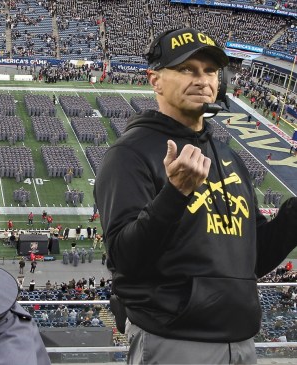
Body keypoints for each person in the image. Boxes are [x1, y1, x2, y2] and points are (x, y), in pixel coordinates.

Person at [94, 27, 297, 364]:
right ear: (155, 80)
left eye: (210, 71)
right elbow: (124, 258)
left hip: (242, 340)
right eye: (187, 69)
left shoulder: (229, 157)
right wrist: (175, 194)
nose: (202, 80)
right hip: (174, 340)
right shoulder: (129, 154)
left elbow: (254, 259)